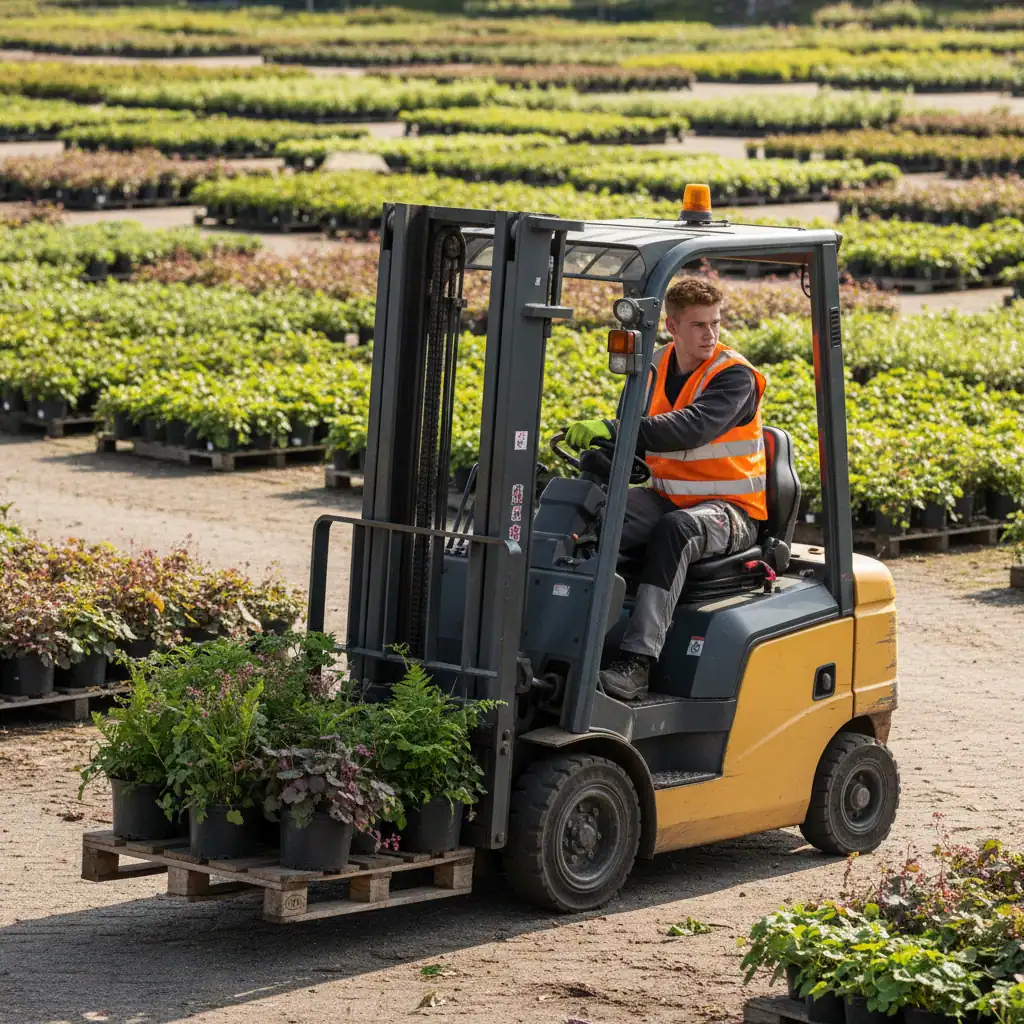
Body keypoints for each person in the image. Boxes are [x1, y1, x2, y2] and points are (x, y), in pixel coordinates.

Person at [565, 277, 767, 702]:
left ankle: (637, 662)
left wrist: (615, 429)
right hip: (667, 496)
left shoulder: (734, 377)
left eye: (715, 323)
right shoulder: (653, 367)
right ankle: (563, 638)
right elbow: (636, 437)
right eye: (699, 325)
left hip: (731, 510)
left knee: (676, 530)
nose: (710, 334)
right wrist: (602, 458)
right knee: (585, 516)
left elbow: (692, 427)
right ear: (672, 327)